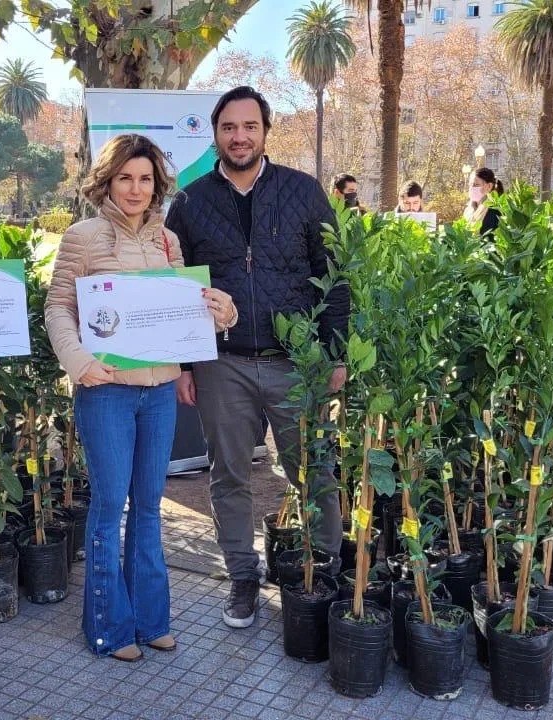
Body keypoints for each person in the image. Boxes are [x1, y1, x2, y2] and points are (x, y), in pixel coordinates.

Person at [46, 134, 238, 661]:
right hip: (105, 392)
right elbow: (58, 308)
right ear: (107, 182)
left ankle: (152, 621)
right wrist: (78, 361)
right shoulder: (84, 237)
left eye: (145, 179)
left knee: (149, 508)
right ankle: (109, 628)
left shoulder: (168, 242)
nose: (135, 189)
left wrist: (222, 313)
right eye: (125, 178)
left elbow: (184, 313)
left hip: (157, 396)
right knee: (110, 507)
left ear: (158, 185)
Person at [165, 86, 350, 629]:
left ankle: (325, 570)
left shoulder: (303, 191)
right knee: (229, 476)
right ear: (215, 135)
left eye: (249, 126)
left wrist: (335, 354)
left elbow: (334, 276)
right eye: (229, 127)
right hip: (221, 364)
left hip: (295, 362)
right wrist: (183, 366)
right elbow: (174, 285)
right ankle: (243, 577)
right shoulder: (191, 201)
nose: (239, 137)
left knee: (313, 471)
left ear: (266, 131)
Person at [463, 167, 503, 237]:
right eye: (470, 185)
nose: (472, 188)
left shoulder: (494, 211)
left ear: (489, 186)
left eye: (476, 185)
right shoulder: (469, 209)